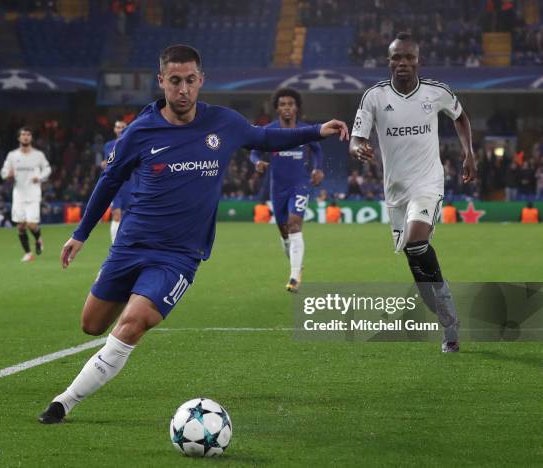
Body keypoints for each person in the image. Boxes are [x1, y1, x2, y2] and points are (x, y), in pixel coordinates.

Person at [38, 44, 349, 424]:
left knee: (133, 323)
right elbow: (109, 181)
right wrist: (81, 234)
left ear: (201, 80)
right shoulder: (141, 131)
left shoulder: (225, 123)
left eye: (189, 81)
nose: (182, 89)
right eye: (174, 81)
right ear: (161, 82)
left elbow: (267, 140)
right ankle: (131, 294)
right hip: (132, 243)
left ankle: (64, 402)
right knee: (91, 325)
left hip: (179, 255)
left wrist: (318, 130)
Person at [349, 32, 477, 353]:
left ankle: (449, 318)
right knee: (419, 271)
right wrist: (358, 148)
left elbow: (460, 117)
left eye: (408, 57)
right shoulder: (374, 97)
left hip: (428, 182)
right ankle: (445, 317)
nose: (403, 63)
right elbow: (356, 137)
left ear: (418, 60)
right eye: (397, 57)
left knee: (418, 240)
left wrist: (469, 153)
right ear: (388, 61)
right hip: (396, 191)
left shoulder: (437, 92)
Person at [250, 88, 325, 293]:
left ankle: (294, 277)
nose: (287, 108)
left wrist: (318, 169)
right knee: (285, 233)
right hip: (277, 187)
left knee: (294, 226)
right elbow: (254, 153)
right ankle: (296, 263)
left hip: (300, 184)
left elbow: (318, 151)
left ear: (296, 107)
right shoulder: (269, 132)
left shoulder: (305, 130)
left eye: (290, 104)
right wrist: (257, 163)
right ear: (277, 108)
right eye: (282, 104)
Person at [0, 127, 51, 262]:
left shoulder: (38, 155)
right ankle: (28, 253)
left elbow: (47, 169)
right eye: (23, 134)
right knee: (20, 226)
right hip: (18, 194)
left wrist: (39, 177)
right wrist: (7, 175)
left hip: (33, 194)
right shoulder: (12, 155)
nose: (26, 137)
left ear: (31, 138)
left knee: (31, 225)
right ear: (19, 138)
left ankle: (38, 238)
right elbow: (4, 172)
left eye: (28, 134)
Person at [101, 120, 130, 242]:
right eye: (118, 127)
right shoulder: (108, 145)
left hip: (130, 184)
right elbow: (106, 163)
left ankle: (129, 245)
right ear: (114, 129)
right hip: (115, 185)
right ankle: (115, 246)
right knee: (116, 215)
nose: (120, 129)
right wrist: (105, 164)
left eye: (123, 127)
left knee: (130, 216)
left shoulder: (133, 143)